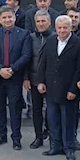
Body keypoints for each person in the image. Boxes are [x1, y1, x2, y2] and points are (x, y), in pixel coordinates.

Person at [36, 16, 80, 160]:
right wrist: (41, 82)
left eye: (65, 27)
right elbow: (43, 62)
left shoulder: (79, 43)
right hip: (51, 87)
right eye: (59, 28)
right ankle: (55, 146)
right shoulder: (51, 41)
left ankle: (69, 148)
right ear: (55, 28)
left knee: (68, 121)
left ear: (71, 27)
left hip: (68, 89)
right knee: (53, 119)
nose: (62, 30)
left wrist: (74, 90)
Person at [0, 6, 32, 150]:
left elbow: (26, 55)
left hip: (15, 77)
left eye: (10, 17)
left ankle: (16, 138)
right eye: (4, 17)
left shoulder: (24, 34)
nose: (7, 20)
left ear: (14, 17)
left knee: (15, 109)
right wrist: (0, 69)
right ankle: (1, 136)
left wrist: (12, 69)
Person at [24, 10, 54, 149]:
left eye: (43, 21)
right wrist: (26, 78)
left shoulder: (55, 37)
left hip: (51, 80)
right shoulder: (30, 37)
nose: (41, 24)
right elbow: (27, 58)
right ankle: (38, 137)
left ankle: (52, 135)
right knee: (36, 110)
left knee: (51, 110)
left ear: (49, 22)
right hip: (34, 79)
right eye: (38, 21)